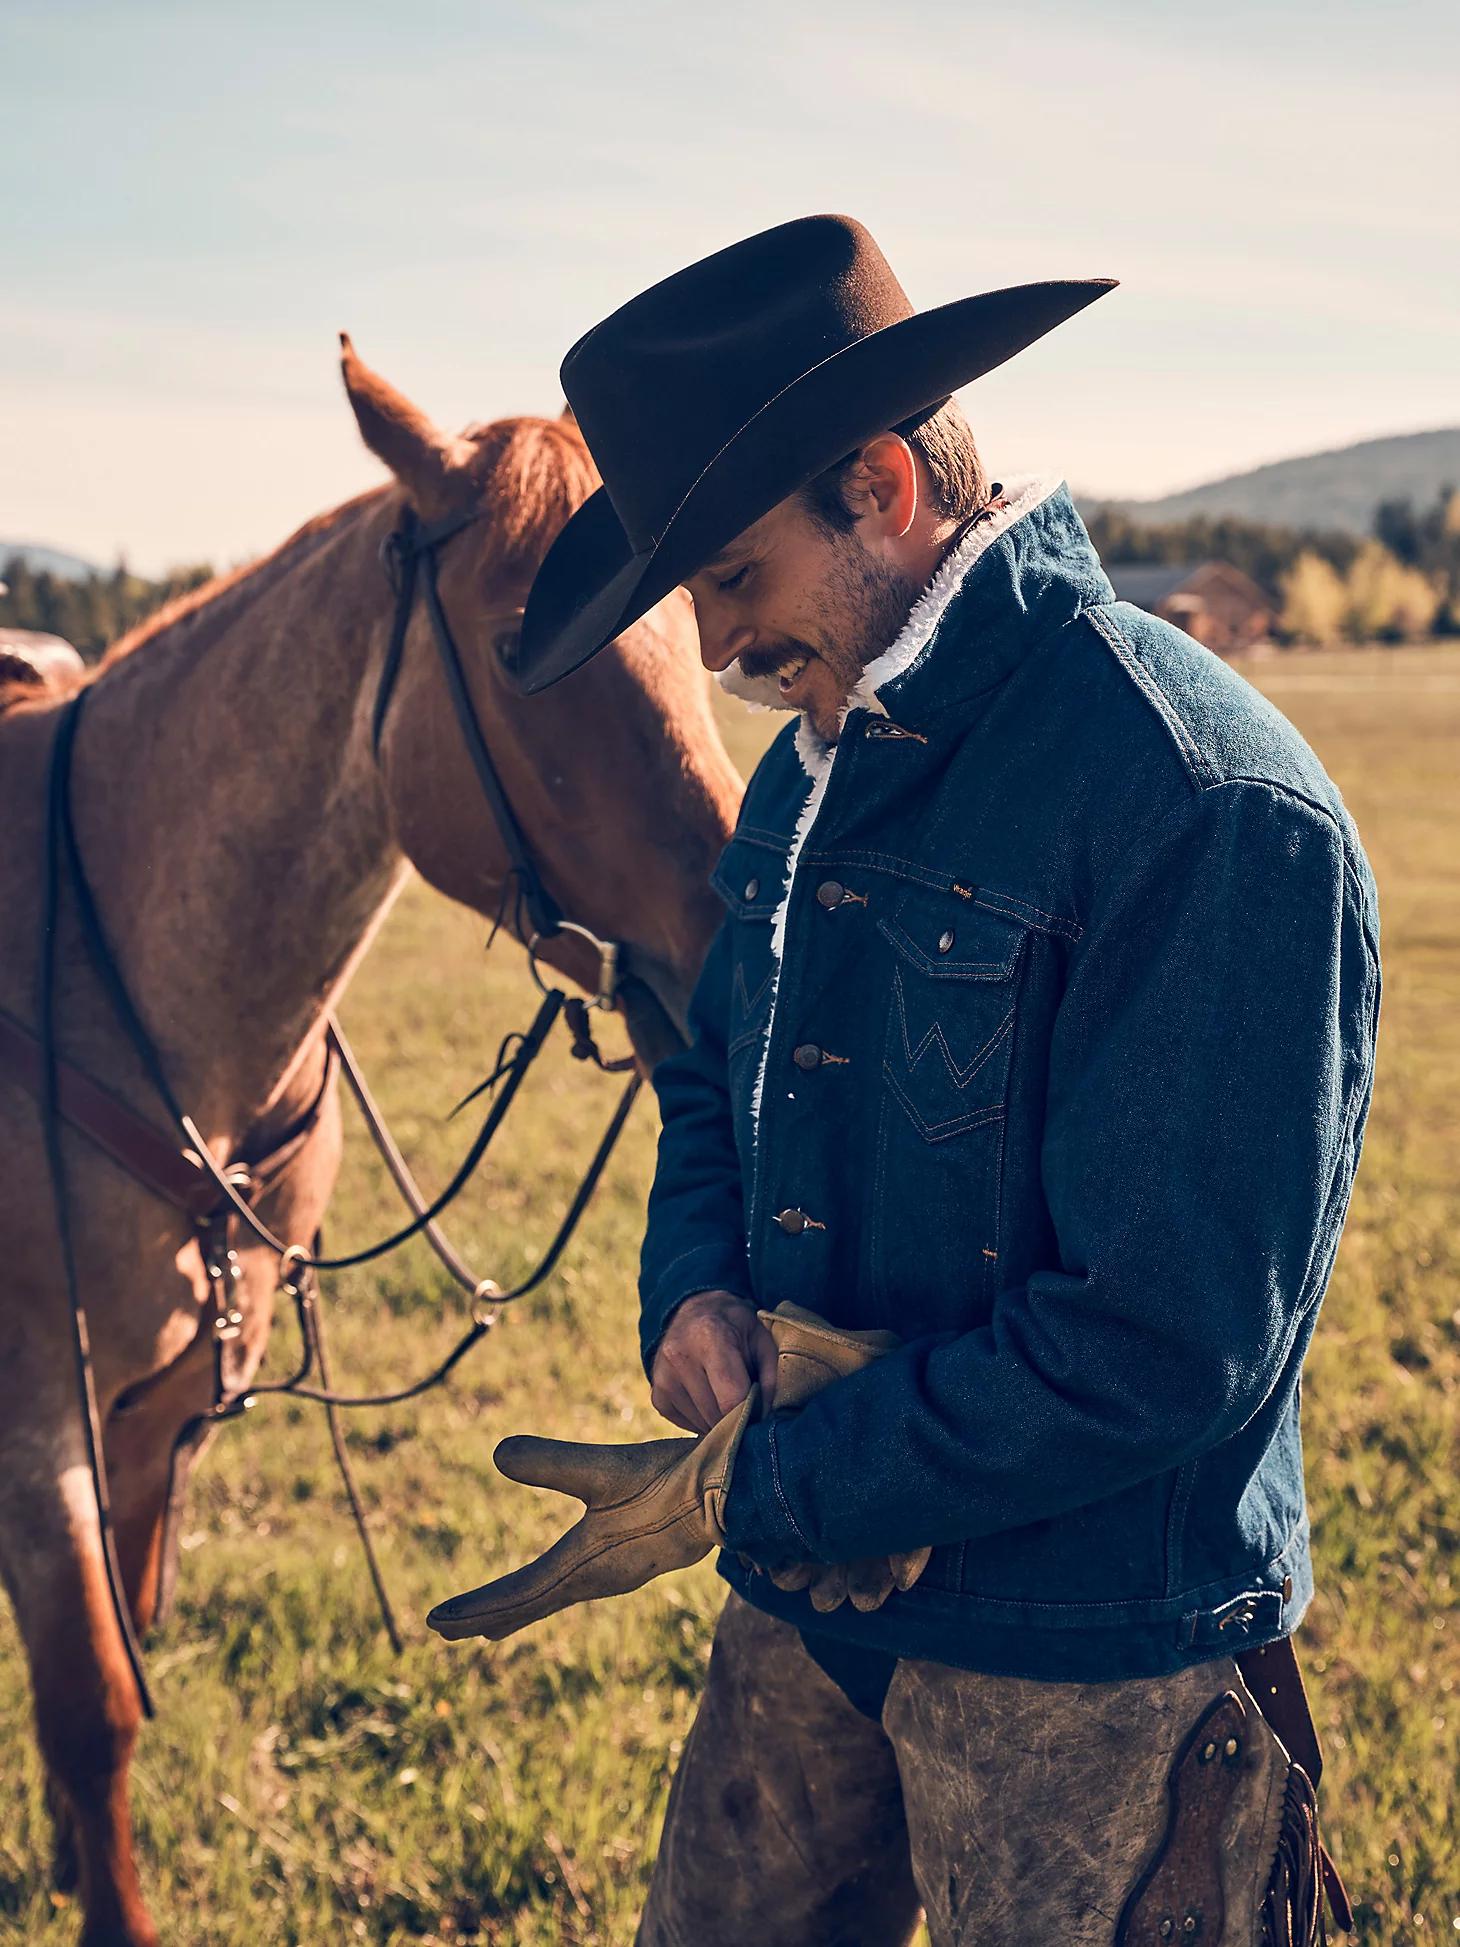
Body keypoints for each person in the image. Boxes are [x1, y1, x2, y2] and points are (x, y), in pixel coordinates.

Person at [429, 215, 1378, 1945]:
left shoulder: (1205, 805)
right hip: (810, 1608)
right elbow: (712, 1070)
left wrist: (777, 1487)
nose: (720, 648)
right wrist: (692, 1286)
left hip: (1085, 1664)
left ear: (879, 487)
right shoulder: (811, 765)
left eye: (733, 579)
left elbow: (1163, 1344)